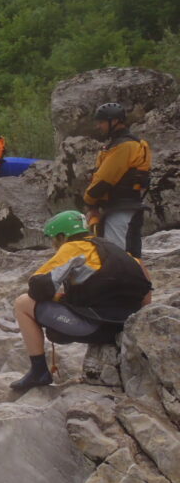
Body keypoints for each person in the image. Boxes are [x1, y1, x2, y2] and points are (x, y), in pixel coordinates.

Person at [10, 210, 151, 391]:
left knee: (22, 303)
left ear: (62, 236)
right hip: (126, 327)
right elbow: (146, 284)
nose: (53, 244)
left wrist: (56, 297)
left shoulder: (73, 247)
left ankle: (39, 372)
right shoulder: (116, 250)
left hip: (95, 327)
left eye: (53, 239)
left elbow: (38, 287)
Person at [83, 102, 152, 257]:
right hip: (127, 207)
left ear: (114, 121)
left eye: (101, 122)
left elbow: (104, 180)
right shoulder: (123, 144)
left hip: (120, 210)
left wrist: (89, 201)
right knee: (132, 257)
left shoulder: (124, 146)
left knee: (116, 257)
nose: (98, 126)